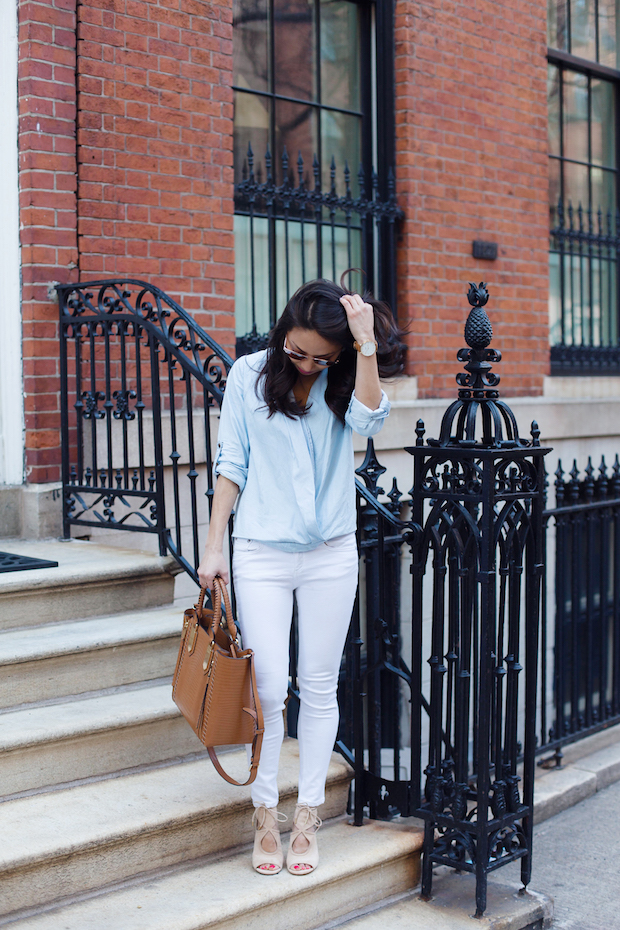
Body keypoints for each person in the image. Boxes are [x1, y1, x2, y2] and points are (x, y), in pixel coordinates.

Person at [198, 276, 405, 876]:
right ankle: (266, 810)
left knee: (319, 687)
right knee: (267, 688)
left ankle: (308, 813)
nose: (309, 365)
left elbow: (370, 423)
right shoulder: (248, 376)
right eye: (298, 352)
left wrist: (363, 346)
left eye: (322, 357)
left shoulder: (342, 379)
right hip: (261, 551)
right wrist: (215, 547)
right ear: (282, 331)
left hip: (331, 554)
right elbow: (230, 461)